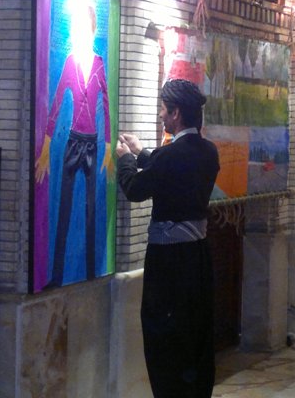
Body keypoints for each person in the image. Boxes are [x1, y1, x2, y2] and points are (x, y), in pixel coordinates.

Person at [116, 79, 220, 398]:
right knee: (194, 335)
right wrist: (142, 153)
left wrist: (125, 159)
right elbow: (173, 170)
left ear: (176, 113)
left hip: (169, 263)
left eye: (163, 109)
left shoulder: (170, 156)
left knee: (165, 337)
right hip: (198, 256)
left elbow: (135, 189)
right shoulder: (208, 151)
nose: (161, 115)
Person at [34, 2, 112, 287]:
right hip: (72, 143)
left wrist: (108, 148)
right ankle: (57, 276)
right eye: (77, 27)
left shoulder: (99, 63)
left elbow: (106, 106)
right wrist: (45, 149)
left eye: (85, 27)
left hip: (92, 145)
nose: (81, 32)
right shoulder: (69, 62)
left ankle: (91, 273)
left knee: (91, 211)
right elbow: (55, 106)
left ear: (93, 29)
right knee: (64, 211)